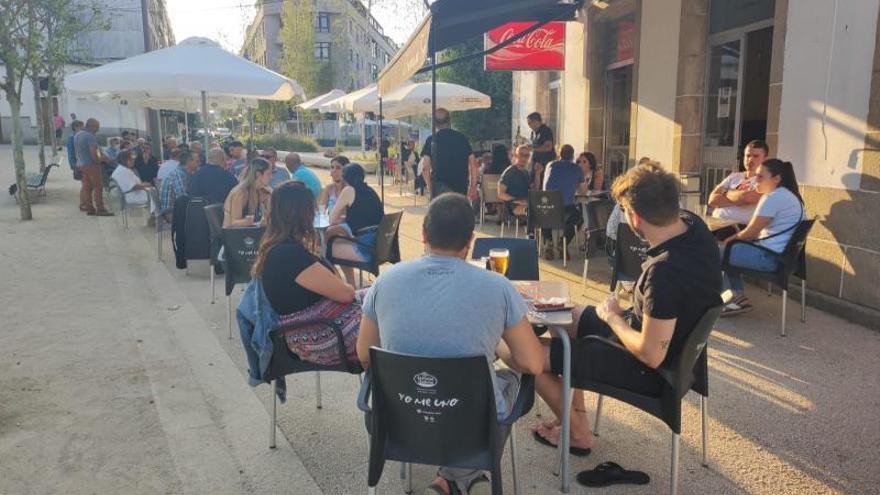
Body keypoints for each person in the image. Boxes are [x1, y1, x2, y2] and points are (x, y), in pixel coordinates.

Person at [356, 193, 544, 495]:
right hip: (472, 428)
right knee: (512, 378)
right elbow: (533, 363)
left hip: (397, 420)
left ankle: (452, 479)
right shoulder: (497, 286)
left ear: (424, 233)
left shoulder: (385, 281)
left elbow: (364, 354)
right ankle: (461, 477)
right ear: (470, 241)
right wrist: (493, 345)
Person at [532, 163, 722, 456]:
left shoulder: (665, 273)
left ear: (634, 216)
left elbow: (651, 354)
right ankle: (571, 414)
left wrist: (613, 317)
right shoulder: (694, 227)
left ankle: (579, 434)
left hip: (650, 369)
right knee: (560, 313)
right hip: (654, 336)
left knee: (526, 355)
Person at [251, 181, 362, 367]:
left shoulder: (279, 248)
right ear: (303, 213)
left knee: (381, 299)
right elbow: (346, 293)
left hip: (311, 328)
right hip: (317, 336)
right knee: (386, 321)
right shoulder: (289, 254)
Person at [718, 159, 804, 316]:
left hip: (769, 258)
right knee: (727, 251)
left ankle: (727, 299)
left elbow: (750, 232)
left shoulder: (773, 197)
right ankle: (737, 298)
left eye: (760, 177)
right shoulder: (791, 196)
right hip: (781, 258)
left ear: (776, 179)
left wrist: (727, 241)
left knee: (714, 252)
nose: (755, 180)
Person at [325, 163, 383, 286]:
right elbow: (365, 215)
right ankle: (350, 285)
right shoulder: (370, 190)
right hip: (379, 243)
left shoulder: (348, 190)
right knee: (335, 234)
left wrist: (339, 221)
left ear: (345, 177)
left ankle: (343, 286)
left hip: (365, 248)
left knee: (328, 247)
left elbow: (331, 219)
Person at [419, 108, 478, 200]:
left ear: (435, 123)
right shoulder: (461, 138)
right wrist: (473, 187)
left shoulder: (431, 140)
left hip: (439, 190)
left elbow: (425, 167)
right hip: (460, 189)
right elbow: (473, 164)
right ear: (449, 120)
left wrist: (430, 188)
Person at [708, 140, 769, 226]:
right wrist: (739, 200)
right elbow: (712, 200)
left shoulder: (765, 180)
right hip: (716, 222)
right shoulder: (734, 176)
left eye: (756, 156)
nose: (750, 159)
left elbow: (747, 198)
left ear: (765, 159)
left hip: (739, 227)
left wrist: (726, 193)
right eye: (748, 155)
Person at [541, 144, 586, 260]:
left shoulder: (550, 165)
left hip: (547, 205)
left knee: (545, 213)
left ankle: (548, 243)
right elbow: (583, 191)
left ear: (559, 154)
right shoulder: (577, 168)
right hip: (565, 209)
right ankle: (563, 242)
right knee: (578, 218)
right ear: (572, 156)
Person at [75, 118, 113, 216]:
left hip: (81, 165)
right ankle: (100, 209)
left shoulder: (78, 135)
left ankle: (90, 208)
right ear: (91, 126)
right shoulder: (90, 136)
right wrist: (102, 159)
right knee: (98, 187)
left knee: (87, 187)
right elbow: (94, 153)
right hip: (91, 165)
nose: (98, 129)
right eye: (97, 127)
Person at [223, 157, 272, 227]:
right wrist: (247, 222)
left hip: (249, 233)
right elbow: (233, 222)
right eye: (268, 174)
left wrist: (269, 198)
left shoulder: (261, 191)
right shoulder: (241, 192)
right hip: (233, 234)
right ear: (258, 174)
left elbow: (270, 216)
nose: (271, 177)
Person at [110, 150, 154, 214]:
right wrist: (147, 185)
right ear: (124, 160)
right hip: (131, 196)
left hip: (130, 194)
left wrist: (144, 184)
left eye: (133, 159)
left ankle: (155, 217)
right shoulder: (124, 171)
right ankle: (157, 217)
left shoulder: (121, 169)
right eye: (131, 159)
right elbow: (134, 187)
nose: (133, 161)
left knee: (154, 192)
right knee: (155, 195)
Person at [498, 144, 532, 223]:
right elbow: (500, 193)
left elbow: (533, 190)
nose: (524, 158)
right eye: (521, 155)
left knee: (544, 209)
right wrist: (517, 200)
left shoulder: (526, 172)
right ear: (516, 156)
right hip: (512, 207)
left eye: (526, 155)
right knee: (534, 211)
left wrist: (537, 174)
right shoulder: (509, 172)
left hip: (526, 203)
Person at [527, 112, 556, 190]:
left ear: (536, 121)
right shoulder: (534, 133)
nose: (529, 125)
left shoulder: (545, 130)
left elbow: (548, 147)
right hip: (536, 163)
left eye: (530, 122)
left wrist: (533, 149)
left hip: (544, 162)